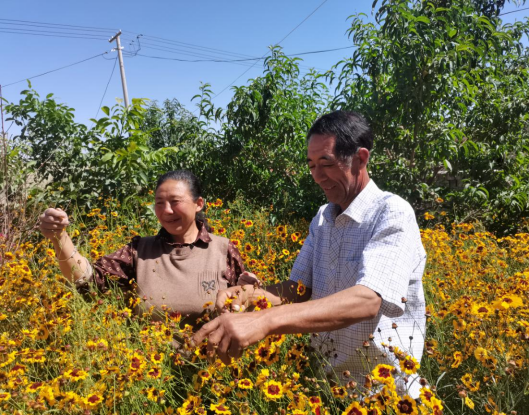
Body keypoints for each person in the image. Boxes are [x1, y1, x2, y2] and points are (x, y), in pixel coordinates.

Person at [192, 111, 427, 397]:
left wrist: (263, 321)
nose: (317, 176)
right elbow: (298, 288)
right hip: (329, 389)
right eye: (312, 165)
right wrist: (251, 296)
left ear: (360, 158)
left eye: (326, 164)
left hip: (384, 392)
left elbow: (367, 300)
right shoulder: (323, 218)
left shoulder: (391, 213)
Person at [38, 170, 245, 333]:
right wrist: (60, 237)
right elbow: (88, 279)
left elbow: (247, 303)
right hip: (149, 377)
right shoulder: (139, 251)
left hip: (215, 374)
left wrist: (248, 292)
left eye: (175, 202)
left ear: (198, 204)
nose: (166, 211)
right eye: (159, 203)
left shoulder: (223, 250)